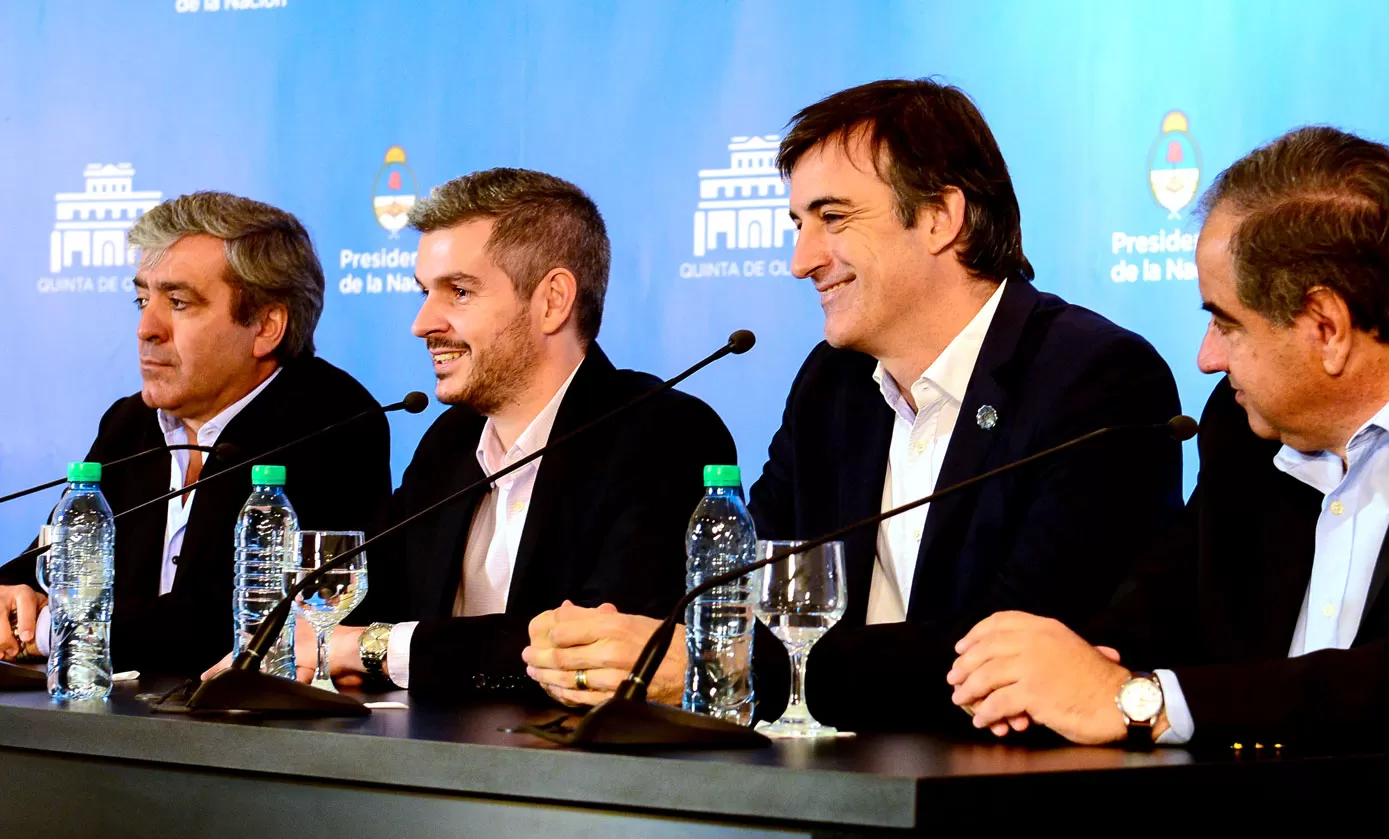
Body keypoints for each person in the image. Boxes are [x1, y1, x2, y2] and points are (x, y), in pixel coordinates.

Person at [522, 79, 1183, 730]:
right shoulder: (832, 384)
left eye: (832, 218)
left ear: (938, 218)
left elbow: (1016, 651)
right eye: (797, 224)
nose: (800, 260)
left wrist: (718, 662)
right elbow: (755, 587)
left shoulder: (1096, 378)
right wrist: (642, 645)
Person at [949, 125, 1389, 752]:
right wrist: (1051, 671)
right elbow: (1155, 611)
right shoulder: (1245, 427)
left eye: (1226, 323)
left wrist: (1144, 704)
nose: (1207, 358)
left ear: (1327, 327)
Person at [228, 168, 735, 696]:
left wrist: (371, 649)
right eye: (425, 292)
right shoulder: (449, 441)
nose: (423, 322)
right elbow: (360, 603)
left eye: (460, 292)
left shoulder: (663, 434)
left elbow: (590, 647)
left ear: (552, 301)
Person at [0, 191, 390, 675]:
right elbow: (53, 558)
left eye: (178, 303)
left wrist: (46, 629)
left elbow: (231, 626)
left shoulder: (330, 420)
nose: (147, 327)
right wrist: (9, 594)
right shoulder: (130, 423)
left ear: (266, 327)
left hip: (249, 738)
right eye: (142, 299)